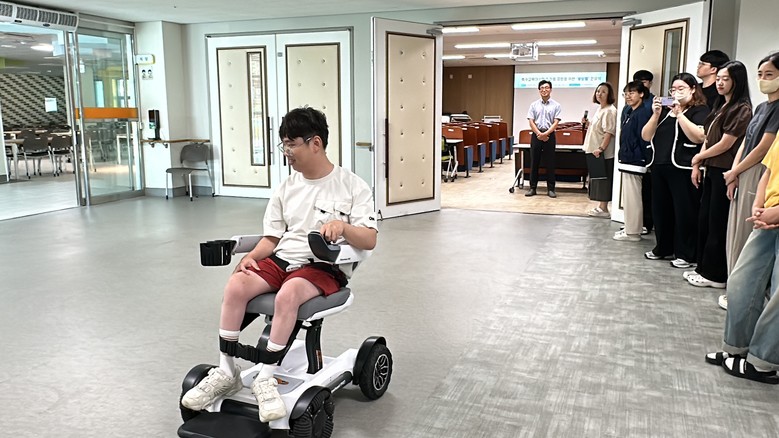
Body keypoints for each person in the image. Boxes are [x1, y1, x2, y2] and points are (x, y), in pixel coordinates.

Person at [181, 107, 378, 422]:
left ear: (315, 143)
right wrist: (250, 257)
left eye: (291, 144)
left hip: (323, 266)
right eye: (283, 144)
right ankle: (227, 370)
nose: (286, 151)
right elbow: (272, 237)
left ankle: (267, 377)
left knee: (289, 294)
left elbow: (369, 239)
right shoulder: (287, 187)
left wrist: (342, 227)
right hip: (283, 259)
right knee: (237, 285)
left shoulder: (352, 186)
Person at [704, 135, 779, 385]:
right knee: (742, 281)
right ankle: (737, 348)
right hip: (767, 216)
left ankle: (764, 362)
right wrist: (758, 205)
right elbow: (769, 169)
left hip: (774, 214)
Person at [719, 52, 779, 309]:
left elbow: (764, 147)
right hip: (743, 171)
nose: (763, 79)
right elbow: (746, 141)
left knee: (747, 234)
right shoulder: (762, 107)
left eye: (770, 74)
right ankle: (735, 290)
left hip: (757, 171)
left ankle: (742, 295)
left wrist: (738, 171)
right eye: (760, 74)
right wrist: (734, 172)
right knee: (734, 231)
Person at [687, 61, 753, 289]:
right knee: (705, 219)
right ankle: (703, 268)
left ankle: (716, 275)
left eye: (726, 79)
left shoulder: (742, 109)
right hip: (711, 168)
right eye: (719, 79)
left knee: (717, 222)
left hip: (725, 170)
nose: (720, 83)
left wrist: (698, 157)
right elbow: (708, 138)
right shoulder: (720, 105)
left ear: (737, 81)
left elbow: (727, 143)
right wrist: (699, 162)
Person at [641, 73, 710, 267]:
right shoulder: (664, 112)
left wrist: (680, 114)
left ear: (693, 89)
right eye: (673, 89)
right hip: (659, 165)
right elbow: (646, 135)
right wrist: (656, 114)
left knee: (684, 211)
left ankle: (686, 254)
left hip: (683, 167)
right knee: (661, 210)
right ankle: (663, 248)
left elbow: (699, 137)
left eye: (681, 88)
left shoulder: (699, 110)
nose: (676, 93)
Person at [613, 81, 652, 242]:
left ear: (641, 94)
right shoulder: (630, 111)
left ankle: (633, 232)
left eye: (632, 92)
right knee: (629, 197)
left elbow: (644, 139)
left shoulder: (642, 113)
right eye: (626, 93)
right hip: (628, 159)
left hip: (636, 160)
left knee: (633, 198)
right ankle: (631, 228)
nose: (628, 96)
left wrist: (644, 159)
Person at [583, 82, 617, 218]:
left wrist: (601, 148)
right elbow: (598, 129)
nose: (600, 94)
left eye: (603, 92)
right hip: (594, 151)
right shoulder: (600, 109)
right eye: (598, 91)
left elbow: (609, 132)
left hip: (603, 153)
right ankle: (601, 206)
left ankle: (604, 208)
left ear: (609, 94)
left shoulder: (610, 110)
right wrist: (587, 123)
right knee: (598, 178)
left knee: (604, 179)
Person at [526, 79, 562, 198]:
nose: (544, 90)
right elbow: (531, 121)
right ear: (539, 90)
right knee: (534, 162)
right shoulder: (533, 105)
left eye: (546, 88)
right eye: (542, 88)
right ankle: (532, 188)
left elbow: (556, 122)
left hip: (549, 135)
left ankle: (551, 189)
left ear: (550, 90)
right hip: (536, 135)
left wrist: (546, 134)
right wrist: (539, 134)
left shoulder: (556, 105)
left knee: (550, 163)